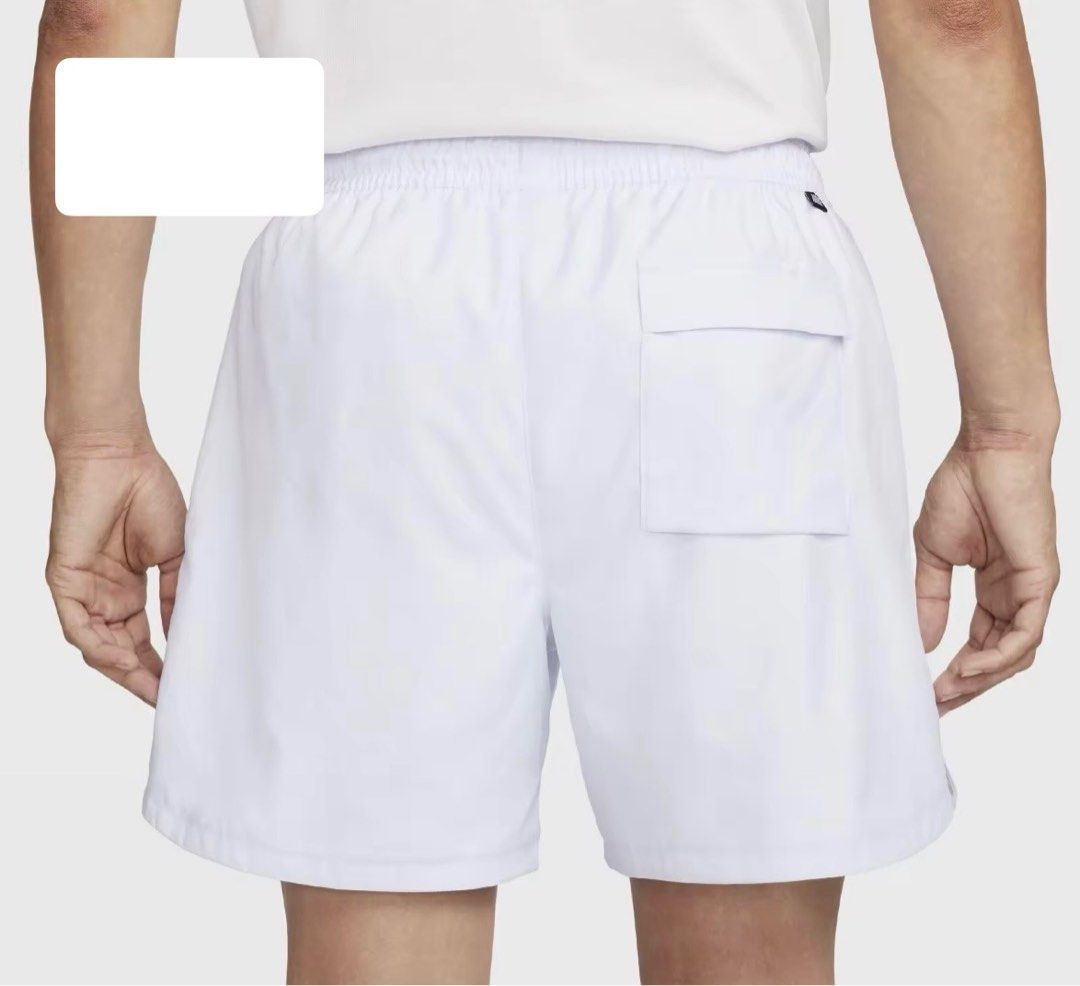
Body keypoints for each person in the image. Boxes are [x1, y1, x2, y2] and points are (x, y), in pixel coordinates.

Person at [31, 1, 1059, 983]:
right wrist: (1006, 427)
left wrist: (97, 432)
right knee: (755, 945)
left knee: (374, 925)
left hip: (368, 296)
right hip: (731, 284)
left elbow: (98, 20)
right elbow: (950, 17)